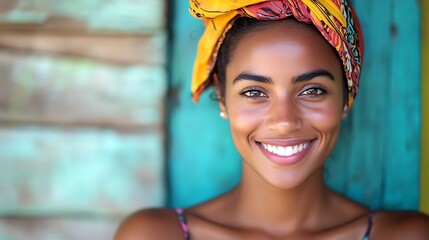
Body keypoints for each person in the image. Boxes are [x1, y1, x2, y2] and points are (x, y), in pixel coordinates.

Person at [115, 0, 429, 239]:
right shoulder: (154, 234)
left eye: (312, 90)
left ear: (346, 98)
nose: (284, 121)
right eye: (254, 93)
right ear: (223, 100)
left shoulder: (407, 235)